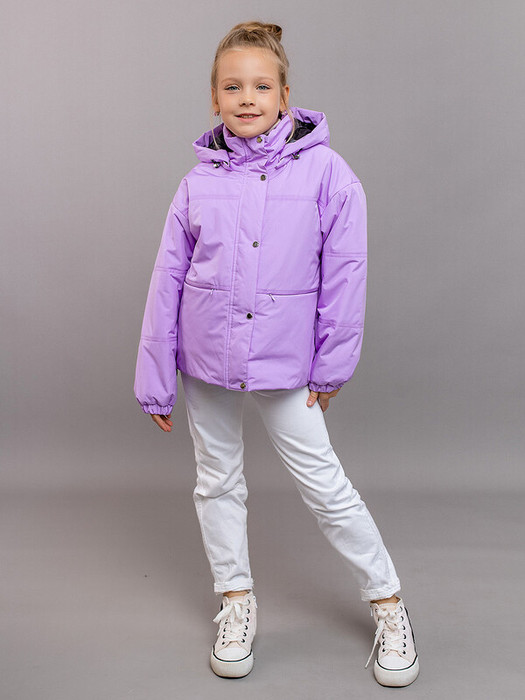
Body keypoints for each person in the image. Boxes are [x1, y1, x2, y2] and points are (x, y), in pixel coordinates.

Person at [133, 20, 419, 687]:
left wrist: (331, 363)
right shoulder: (196, 183)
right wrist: (155, 376)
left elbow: (346, 272)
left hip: (287, 362)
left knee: (324, 484)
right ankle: (235, 599)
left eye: (261, 86)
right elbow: (167, 278)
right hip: (206, 358)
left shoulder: (329, 174)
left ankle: (388, 603)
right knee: (216, 480)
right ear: (214, 97)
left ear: (286, 95)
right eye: (232, 87)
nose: (247, 98)